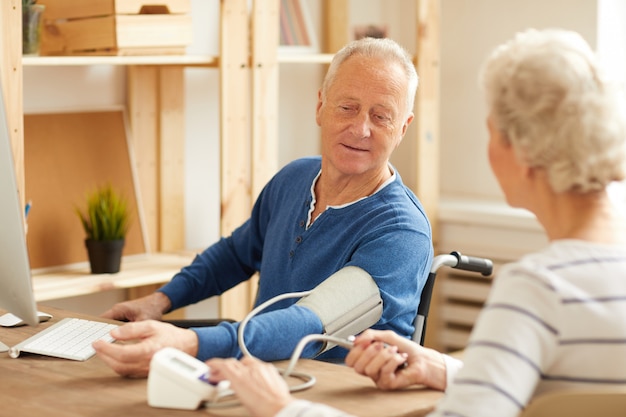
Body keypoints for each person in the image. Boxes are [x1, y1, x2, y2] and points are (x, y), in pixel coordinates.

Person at [204, 28, 626, 417]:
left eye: (492, 131)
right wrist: (444, 368)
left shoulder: (538, 291)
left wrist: (282, 408)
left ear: (522, 152)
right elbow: (555, 384)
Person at [92, 37, 434, 378]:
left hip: (336, 397)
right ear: (320, 106)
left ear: (403, 128)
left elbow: (311, 325)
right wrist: (159, 302)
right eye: (347, 107)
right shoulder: (294, 178)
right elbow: (235, 255)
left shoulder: (402, 233)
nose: (360, 129)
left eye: (381, 116)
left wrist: (190, 343)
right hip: (258, 379)